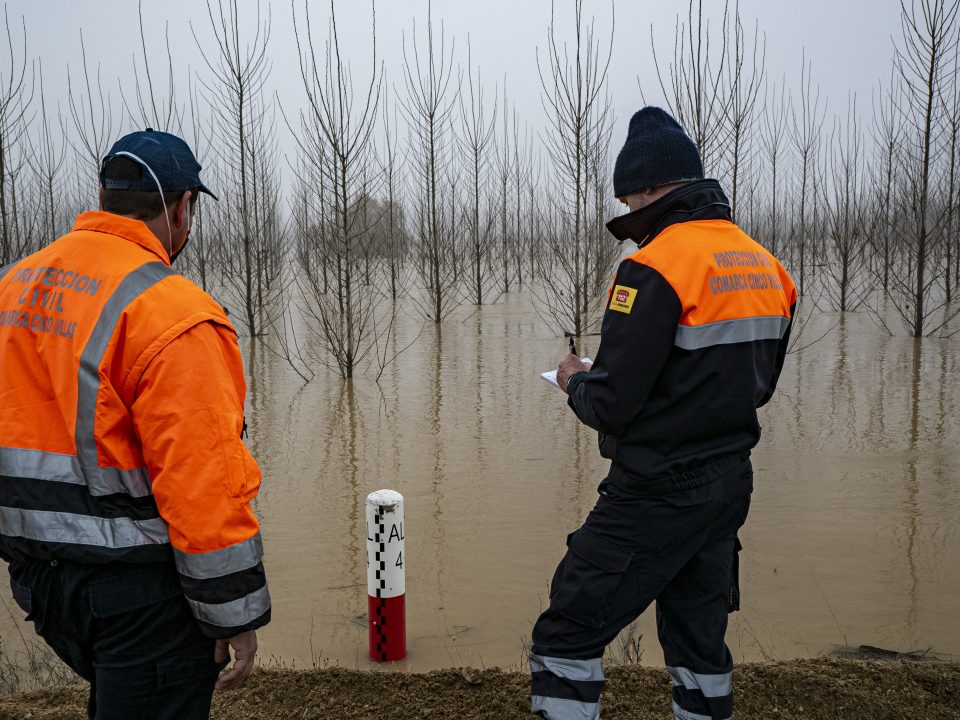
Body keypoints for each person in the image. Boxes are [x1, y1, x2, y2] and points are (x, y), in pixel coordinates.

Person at [529, 107, 797, 720]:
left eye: (629, 195)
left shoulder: (650, 268)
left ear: (652, 187)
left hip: (655, 486)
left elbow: (613, 404)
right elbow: (759, 386)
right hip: (730, 479)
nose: (625, 208)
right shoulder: (766, 265)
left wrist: (576, 380)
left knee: (567, 631)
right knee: (698, 637)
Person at [0, 130, 270, 719]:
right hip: (139, 595)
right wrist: (235, 614)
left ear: (102, 196)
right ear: (181, 210)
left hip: (37, 581)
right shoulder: (175, 313)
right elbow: (202, 482)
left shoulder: (13, 285)